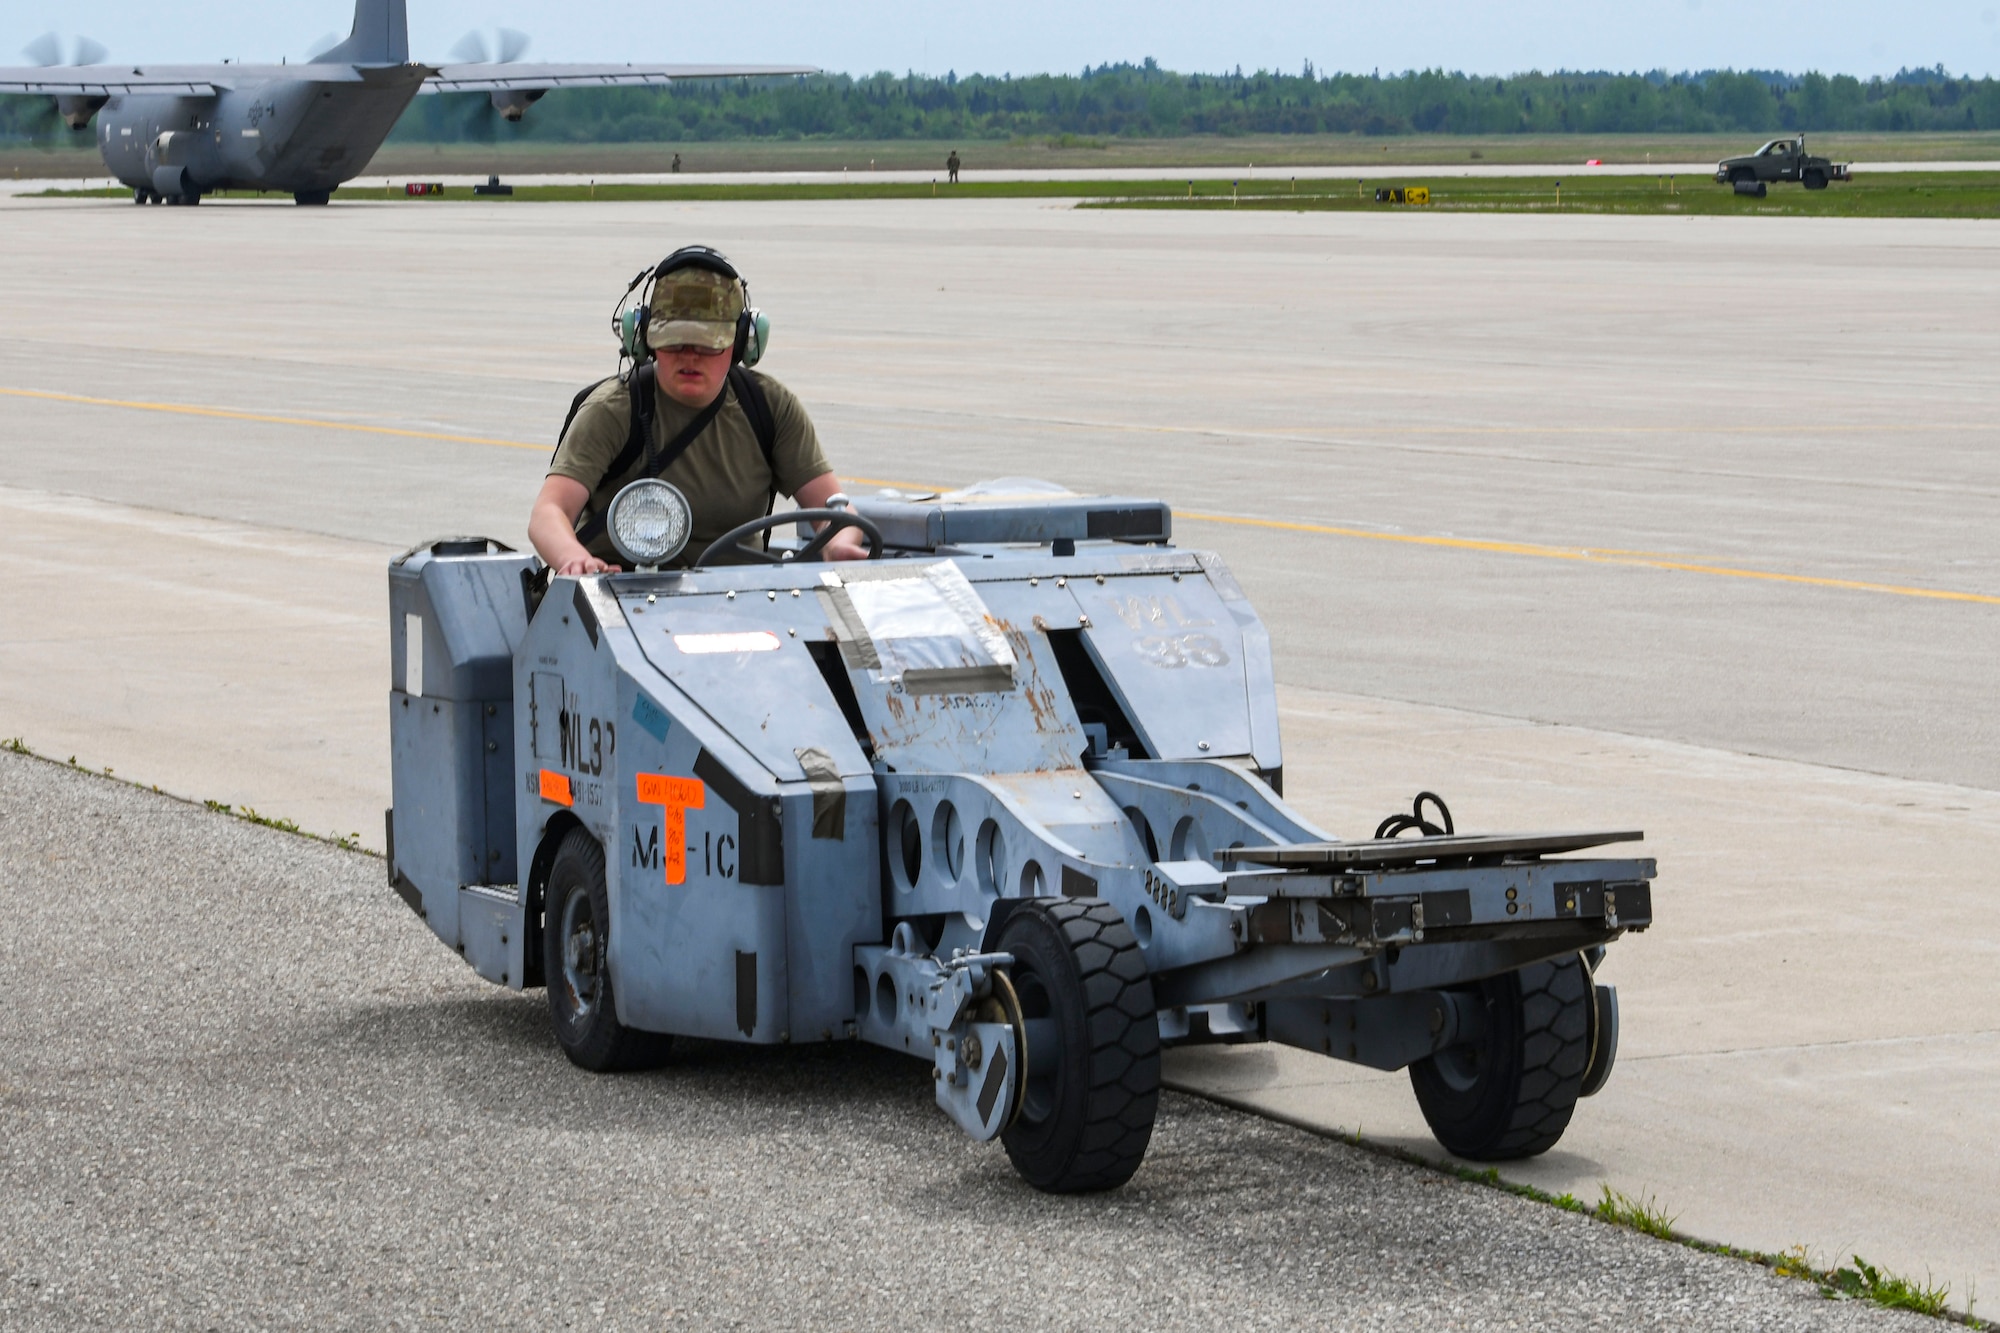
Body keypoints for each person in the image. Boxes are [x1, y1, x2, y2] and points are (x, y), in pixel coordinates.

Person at [529, 247, 868, 574]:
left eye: (708, 345)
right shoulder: (613, 409)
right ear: (645, 341)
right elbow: (550, 511)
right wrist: (574, 558)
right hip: (623, 598)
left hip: (737, 602)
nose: (689, 356)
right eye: (674, 342)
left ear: (740, 344)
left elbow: (832, 508)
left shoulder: (769, 407)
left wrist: (839, 542)